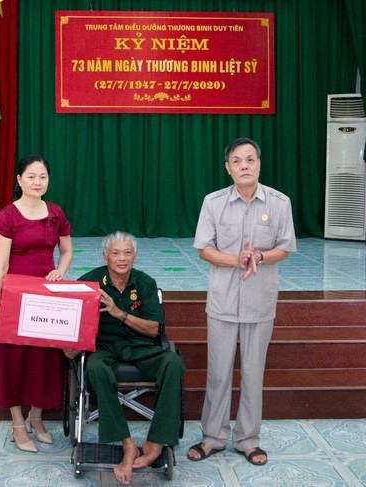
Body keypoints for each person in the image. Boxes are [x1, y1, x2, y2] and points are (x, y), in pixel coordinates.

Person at [187, 137, 296, 466]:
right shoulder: (213, 202)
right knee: (218, 373)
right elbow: (204, 248)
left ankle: (248, 440)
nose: (244, 165)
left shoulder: (279, 202)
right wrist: (236, 260)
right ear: (228, 167)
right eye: (237, 161)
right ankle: (213, 437)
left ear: (260, 164)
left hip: (260, 302)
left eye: (250, 159)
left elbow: (285, 247)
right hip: (222, 301)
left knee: (253, 374)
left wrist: (259, 256)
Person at [67, 231, 184, 485]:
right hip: (102, 346)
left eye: (127, 253)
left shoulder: (145, 283)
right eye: (116, 253)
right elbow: (72, 323)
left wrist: (119, 314)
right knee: (96, 370)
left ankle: (155, 442)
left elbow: (154, 329)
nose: (122, 258)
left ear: (135, 256)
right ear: (105, 256)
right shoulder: (89, 282)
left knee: (172, 362)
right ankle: (127, 444)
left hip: (138, 343)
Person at [0, 154, 73, 453]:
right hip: (14, 297)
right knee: (14, 360)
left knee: (43, 360)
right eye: (31, 176)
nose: (37, 182)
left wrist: (60, 271)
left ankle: (37, 418)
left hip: (46, 296)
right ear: (19, 180)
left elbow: (66, 252)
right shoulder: (7, 216)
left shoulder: (56, 213)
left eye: (43, 177)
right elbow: (0, 267)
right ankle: (18, 424)